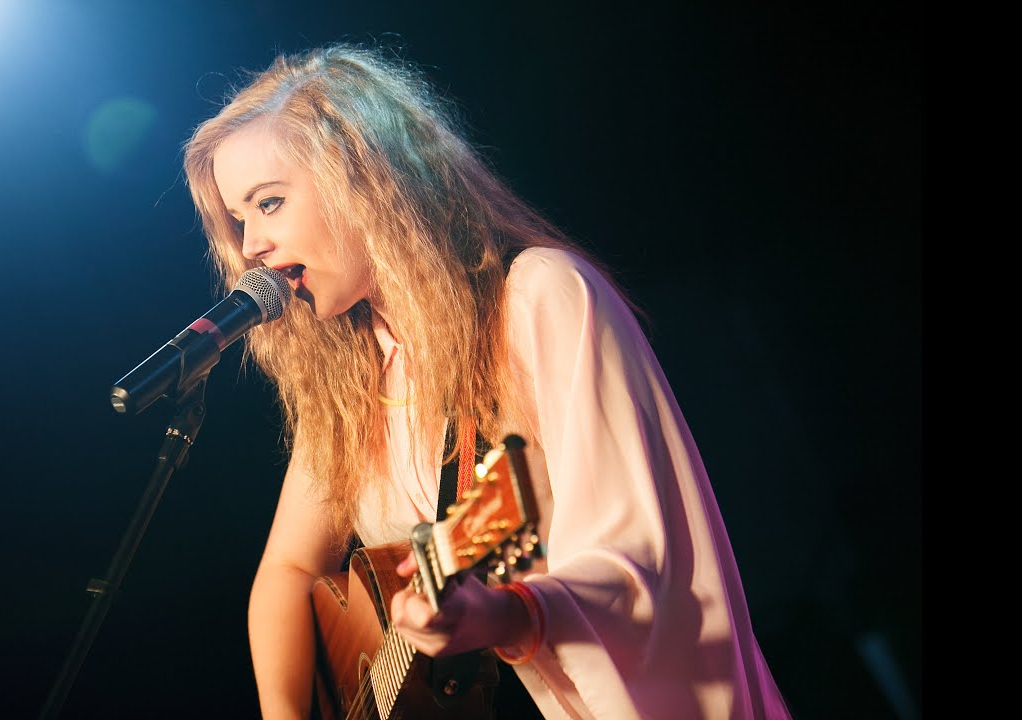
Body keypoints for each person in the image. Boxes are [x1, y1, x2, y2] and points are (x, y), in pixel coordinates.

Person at [181, 43, 792, 720]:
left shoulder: (540, 300)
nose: (250, 247)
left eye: (269, 203)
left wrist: (506, 614)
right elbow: (286, 574)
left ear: (364, 176)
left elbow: (644, 561)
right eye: (239, 221)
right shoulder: (358, 380)